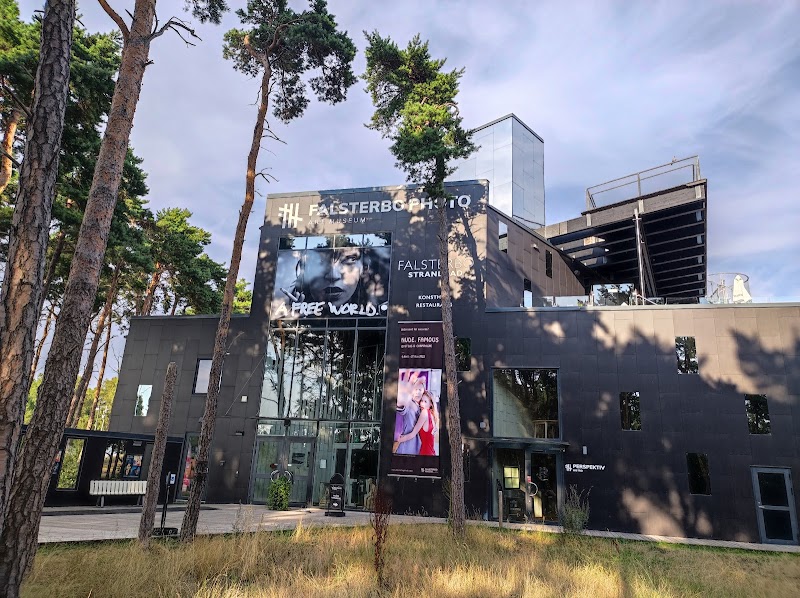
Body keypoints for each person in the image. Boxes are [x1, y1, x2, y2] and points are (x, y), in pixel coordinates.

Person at [393, 390, 438, 456]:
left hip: (425, 453)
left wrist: (398, 440)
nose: (422, 404)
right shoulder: (432, 415)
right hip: (431, 453)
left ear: (431, 404)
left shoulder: (425, 412)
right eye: (421, 401)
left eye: (425, 402)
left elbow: (413, 434)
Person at [394, 376, 424, 455]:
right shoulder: (408, 403)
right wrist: (401, 401)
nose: (417, 392)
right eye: (415, 389)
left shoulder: (422, 407)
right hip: (405, 449)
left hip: (417, 450)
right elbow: (402, 408)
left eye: (420, 389)